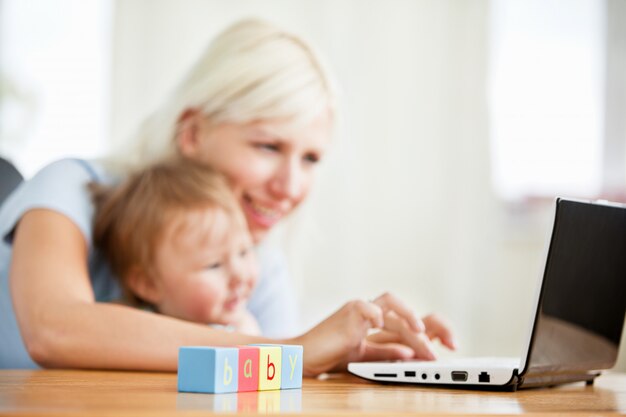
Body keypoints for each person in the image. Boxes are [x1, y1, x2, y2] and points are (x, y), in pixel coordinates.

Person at [0, 18, 455, 374]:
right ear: (193, 132)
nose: (291, 187)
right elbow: (54, 329)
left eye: (311, 158)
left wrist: (358, 353)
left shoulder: (257, 264)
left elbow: (279, 372)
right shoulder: (71, 189)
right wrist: (294, 351)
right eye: (268, 146)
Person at [90, 158, 261, 335]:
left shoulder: (242, 329)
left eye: (244, 252)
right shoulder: (124, 327)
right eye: (214, 265)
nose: (239, 275)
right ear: (149, 284)